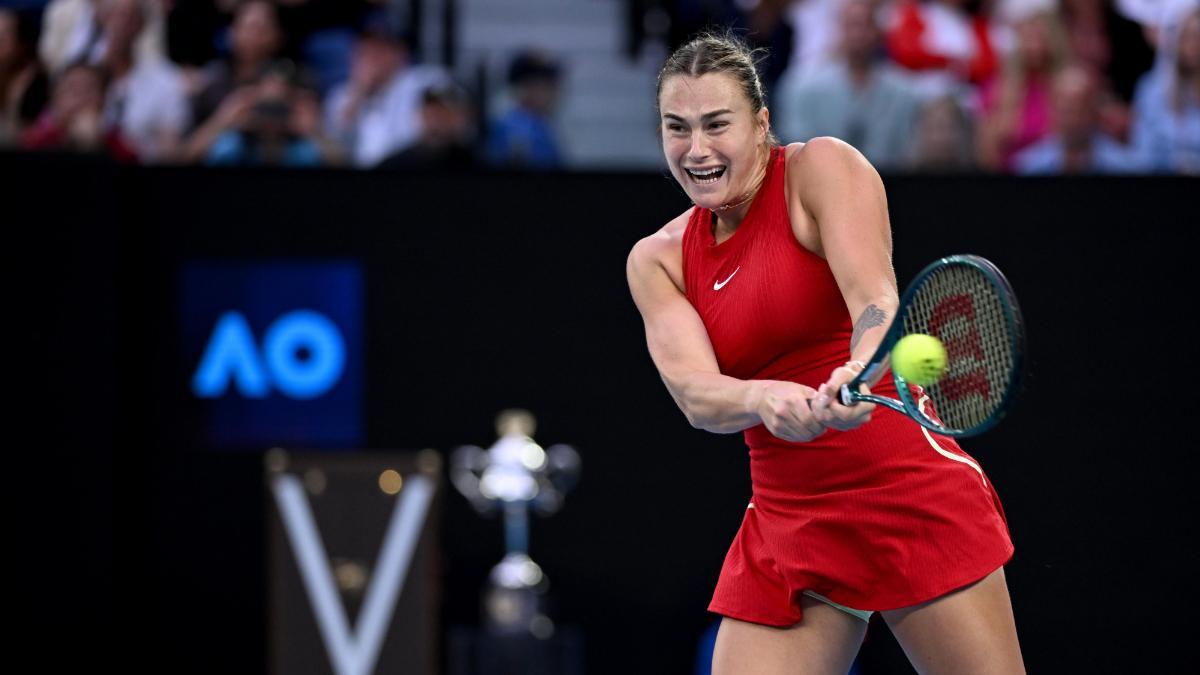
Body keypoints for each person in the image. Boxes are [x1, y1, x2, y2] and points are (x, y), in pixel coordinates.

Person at [626, 33, 1024, 674]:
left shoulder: (823, 170)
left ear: (761, 124)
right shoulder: (658, 259)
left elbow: (876, 301)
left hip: (905, 488)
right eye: (678, 127)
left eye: (717, 124)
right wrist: (763, 397)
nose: (696, 149)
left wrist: (859, 368)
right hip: (790, 518)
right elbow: (696, 395)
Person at [777, 0, 921, 170]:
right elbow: (794, 148)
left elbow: (908, 153)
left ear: (879, 31)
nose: (858, 35)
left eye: (866, 25)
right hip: (822, 179)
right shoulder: (803, 88)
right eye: (851, 25)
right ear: (837, 29)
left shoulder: (903, 93)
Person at [1013, 63, 1143, 173]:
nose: (1070, 120)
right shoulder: (1028, 167)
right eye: (1064, 110)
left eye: (1077, 110)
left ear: (1093, 112)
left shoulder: (1127, 168)